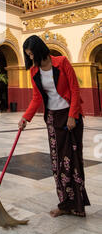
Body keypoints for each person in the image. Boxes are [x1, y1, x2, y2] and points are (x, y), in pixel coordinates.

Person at [18, 35, 90, 218]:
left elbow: (74, 89)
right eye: (28, 55)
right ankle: (65, 203)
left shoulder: (62, 62)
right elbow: (36, 98)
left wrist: (73, 116)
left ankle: (77, 204)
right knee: (58, 162)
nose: (30, 58)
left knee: (72, 160)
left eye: (31, 53)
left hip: (71, 117)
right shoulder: (34, 72)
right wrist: (25, 117)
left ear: (39, 49)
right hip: (53, 119)